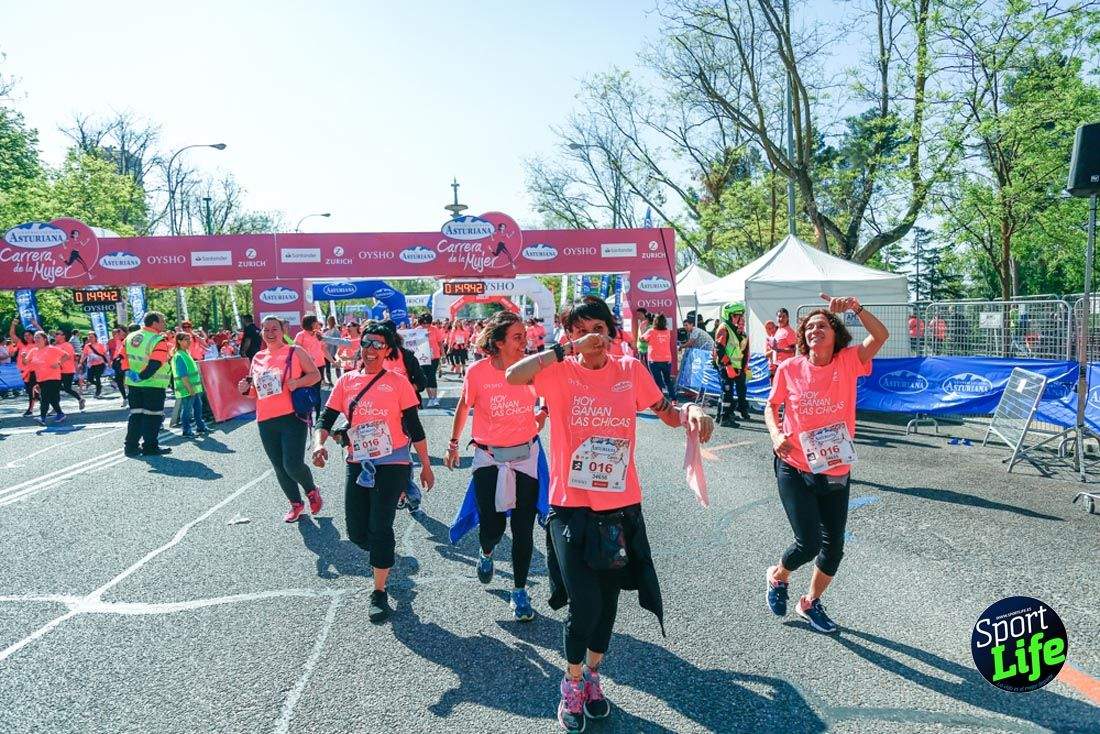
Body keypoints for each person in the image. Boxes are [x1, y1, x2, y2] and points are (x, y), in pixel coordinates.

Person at [505, 296, 714, 733]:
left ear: (612, 330)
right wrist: (566, 350)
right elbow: (513, 374)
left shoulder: (629, 370)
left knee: (609, 604)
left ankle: (594, 679)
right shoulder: (557, 371)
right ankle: (571, 682)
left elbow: (668, 414)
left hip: (619, 509)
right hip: (569, 507)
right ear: (569, 334)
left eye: (599, 327)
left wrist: (691, 411)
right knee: (584, 603)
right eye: (581, 330)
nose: (592, 337)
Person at [764, 294, 887, 634]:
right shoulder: (789, 368)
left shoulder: (849, 361)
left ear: (835, 334)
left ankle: (810, 602)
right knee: (808, 542)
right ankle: (779, 576)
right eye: (809, 327)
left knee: (834, 548)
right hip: (794, 464)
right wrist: (776, 434)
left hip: (834, 468)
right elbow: (770, 406)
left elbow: (880, 336)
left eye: (822, 325)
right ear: (802, 337)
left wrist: (856, 308)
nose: (814, 329)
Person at [312, 321, 435, 623]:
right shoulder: (346, 382)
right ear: (360, 346)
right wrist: (318, 445)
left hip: (393, 461)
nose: (371, 349)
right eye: (367, 343)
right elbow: (325, 419)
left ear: (388, 351)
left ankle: (379, 591)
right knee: (356, 531)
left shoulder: (397, 382)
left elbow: (414, 427)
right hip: (358, 461)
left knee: (380, 525)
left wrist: (426, 466)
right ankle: (385, 552)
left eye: (379, 345)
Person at [445, 311, 549, 622]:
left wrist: (542, 412)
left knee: (523, 529)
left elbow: (547, 396)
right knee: (493, 527)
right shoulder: (477, 372)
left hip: (526, 455)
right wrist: (453, 444)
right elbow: (465, 404)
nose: (524, 343)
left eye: (525, 337)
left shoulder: (531, 369)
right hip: (489, 457)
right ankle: (487, 551)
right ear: (499, 342)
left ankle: (519, 592)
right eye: (518, 337)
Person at [238, 316, 323, 522]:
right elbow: (256, 391)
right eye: (266, 329)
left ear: (283, 330)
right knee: (279, 466)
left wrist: (298, 382)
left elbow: (315, 376)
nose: (269, 332)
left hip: (292, 416)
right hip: (265, 419)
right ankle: (295, 504)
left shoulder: (295, 351)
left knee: (292, 465)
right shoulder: (257, 357)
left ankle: (311, 490)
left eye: (274, 328)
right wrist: (244, 390)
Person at [123, 312, 173, 457]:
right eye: (162, 321)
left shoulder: (130, 337)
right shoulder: (158, 340)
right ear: (154, 323)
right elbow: (155, 364)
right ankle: (150, 447)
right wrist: (142, 376)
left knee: (136, 415)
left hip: (133, 384)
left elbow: (121, 358)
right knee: (153, 416)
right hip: (153, 384)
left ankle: (130, 447)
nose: (164, 324)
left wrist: (130, 372)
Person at [713, 302, 751, 427]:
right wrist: (728, 365)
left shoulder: (735, 329)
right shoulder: (724, 328)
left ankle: (719, 416)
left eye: (740, 316)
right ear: (728, 315)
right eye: (735, 315)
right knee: (727, 392)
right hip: (726, 366)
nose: (739, 318)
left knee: (726, 392)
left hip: (736, 366)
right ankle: (725, 418)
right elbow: (719, 348)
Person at [173, 332, 209, 438]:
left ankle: (200, 426)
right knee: (187, 410)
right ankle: (186, 430)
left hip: (193, 388)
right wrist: (190, 389)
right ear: (179, 341)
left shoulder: (186, 353)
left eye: (189, 339)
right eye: (185, 339)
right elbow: (183, 375)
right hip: (187, 388)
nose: (189, 341)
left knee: (198, 407)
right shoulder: (179, 355)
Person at [294, 314, 328, 422]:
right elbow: (295, 350)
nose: (318, 323)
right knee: (306, 391)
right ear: (311, 323)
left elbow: (324, 350)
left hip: (320, 366)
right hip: (306, 368)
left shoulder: (319, 335)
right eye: (316, 321)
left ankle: (318, 418)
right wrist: (308, 357)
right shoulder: (301, 335)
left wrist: (333, 361)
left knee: (317, 392)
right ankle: (306, 416)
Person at [29, 331, 67, 424]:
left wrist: (58, 363)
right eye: (35, 337)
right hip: (41, 378)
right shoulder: (34, 351)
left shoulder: (51, 349)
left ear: (45, 339)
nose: (36, 339)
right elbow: (29, 363)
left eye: (38, 337)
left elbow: (66, 355)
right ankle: (60, 414)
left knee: (45, 397)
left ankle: (42, 418)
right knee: (52, 399)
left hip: (53, 377)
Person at [640, 314, 675, 401]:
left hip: (654, 360)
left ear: (655, 322)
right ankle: (673, 399)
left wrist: (642, 329)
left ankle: (660, 400)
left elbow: (641, 338)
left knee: (657, 381)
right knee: (668, 380)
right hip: (666, 359)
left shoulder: (651, 331)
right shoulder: (667, 331)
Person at [54, 330, 85, 411]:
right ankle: (56, 407)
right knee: (56, 388)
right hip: (58, 371)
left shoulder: (67, 345)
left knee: (67, 389)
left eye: (58, 334)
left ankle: (80, 399)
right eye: (55, 334)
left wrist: (58, 363)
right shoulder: (55, 346)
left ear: (63, 336)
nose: (56, 336)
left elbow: (67, 357)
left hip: (67, 370)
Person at [420, 313, 444, 407]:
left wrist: (443, 354)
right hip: (422, 357)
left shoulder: (435, 329)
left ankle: (435, 398)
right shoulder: (417, 330)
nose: (425, 325)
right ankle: (430, 398)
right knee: (425, 377)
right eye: (423, 323)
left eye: (427, 323)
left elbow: (440, 343)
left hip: (434, 356)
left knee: (432, 376)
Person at [81, 333, 109, 398]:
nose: (90, 338)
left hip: (100, 364)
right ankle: (99, 385)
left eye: (91, 337)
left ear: (95, 338)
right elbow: (84, 355)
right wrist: (80, 363)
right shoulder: (87, 346)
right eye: (89, 337)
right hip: (91, 365)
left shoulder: (100, 345)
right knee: (89, 379)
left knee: (97, 377)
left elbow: (105, 354)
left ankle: (98, 392)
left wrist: (109, 362)